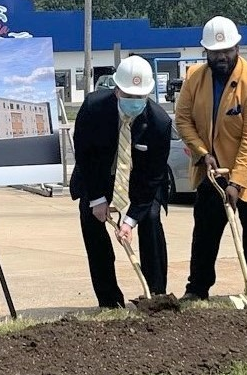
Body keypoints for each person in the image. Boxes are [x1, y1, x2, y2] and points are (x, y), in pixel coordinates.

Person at [173, 15, 247, 303]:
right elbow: (183, 120)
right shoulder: (195, 77)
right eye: (214, 52)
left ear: (237, 48)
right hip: (211, 169)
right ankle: (197, 289)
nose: (221, 57)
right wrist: (202, 153)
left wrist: (237, 183)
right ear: (206, 52)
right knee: (205, 232)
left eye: (226, 51)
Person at [69, 55, 172, 307]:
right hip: (98, 176)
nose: (134, 102)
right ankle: (109, 300)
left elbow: (153, 176)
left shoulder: (159, 123)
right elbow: (85, 155)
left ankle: (155, 294)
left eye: (140, 97)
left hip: (141, 180)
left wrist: (130, 219)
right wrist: (97, 199)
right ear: (116, 90)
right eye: (128, 95)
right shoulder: (93, 109)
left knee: (149, 220)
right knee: (92, 223)